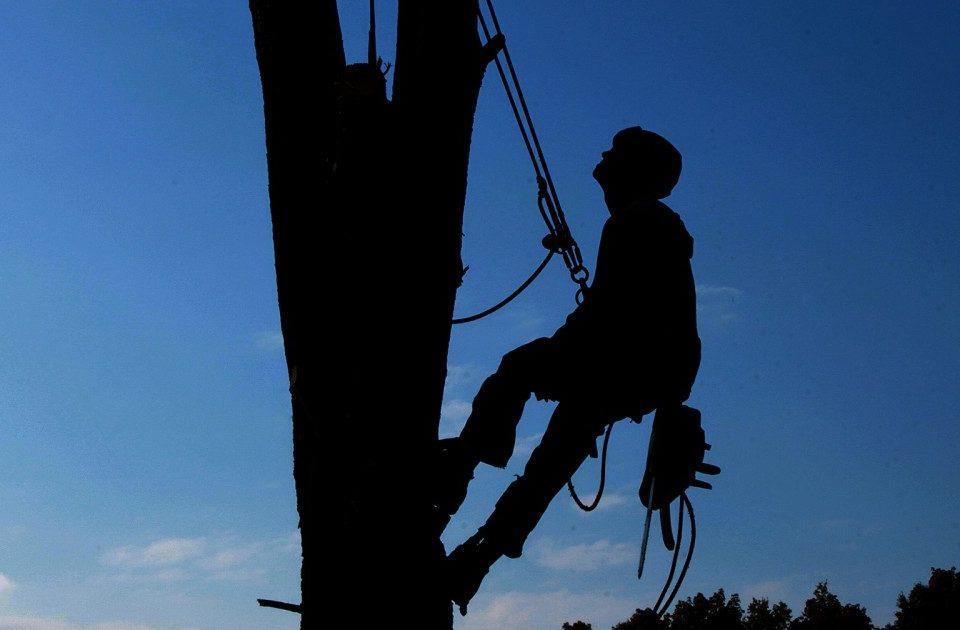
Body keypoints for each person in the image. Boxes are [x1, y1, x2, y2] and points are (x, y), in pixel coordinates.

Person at [438, 127, 703, 613]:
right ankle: (482, 555)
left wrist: (559, 356)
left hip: (624, 361)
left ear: (633, 173)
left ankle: (458, 472)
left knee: (517, 369)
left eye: (612, 161)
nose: (601, 168)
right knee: (558, 453)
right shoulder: (658, 225)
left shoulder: (633, 223)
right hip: (652, 372)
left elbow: (606, 312)